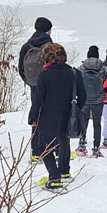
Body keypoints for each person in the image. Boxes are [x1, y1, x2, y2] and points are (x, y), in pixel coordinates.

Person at [27, 42, 86, 189]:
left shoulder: (44, 75)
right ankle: (64, 171)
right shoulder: (74, 73)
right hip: (68, 115)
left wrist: (33, 117)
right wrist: (75, 109)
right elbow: (83, 97)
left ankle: (54, 176)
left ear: (46, 57)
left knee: (44, 147)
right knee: (64, 142)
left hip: (48, 116)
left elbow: (38, 100)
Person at [17, 17, 54, 161]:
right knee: (50, 115)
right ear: (48, 30)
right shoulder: (50, 46)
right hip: (49, 86)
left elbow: (21, 69)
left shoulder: (26, 46)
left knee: (36, 115)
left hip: (34, 86)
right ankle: (49, 149)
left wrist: (30, 82)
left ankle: (36, 151)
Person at [76, 45, 107, 157]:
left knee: (83, 122)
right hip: (98, 100)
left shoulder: (81, 67)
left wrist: (79, 92)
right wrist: (106, 89)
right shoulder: (103, 68)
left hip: (84, 100)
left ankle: (81, 144)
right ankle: (96, 148)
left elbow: (74, 79)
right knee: (97, 124)